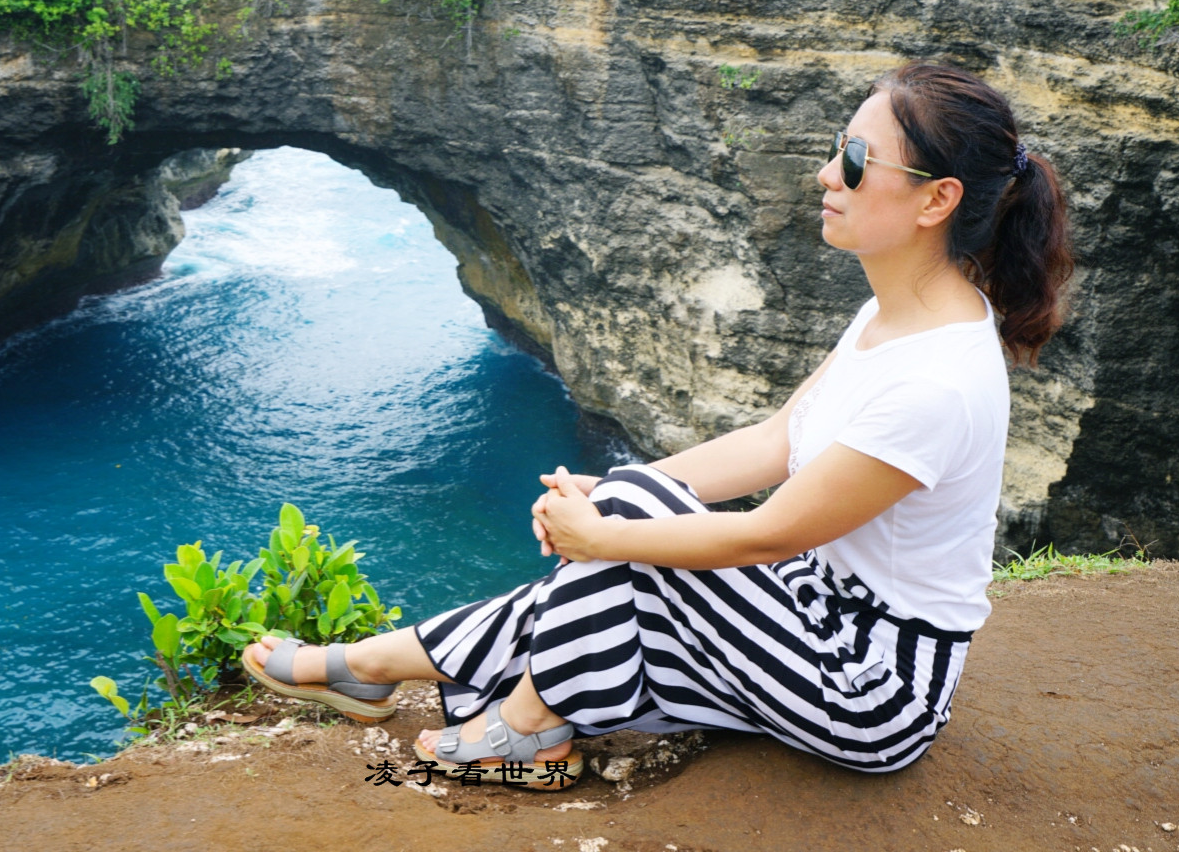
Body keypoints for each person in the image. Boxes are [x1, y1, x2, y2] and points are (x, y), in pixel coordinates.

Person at [242, 63, 1073, 789]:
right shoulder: (890, 316)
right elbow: (779, 439)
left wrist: (608, 528)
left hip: (870, 687)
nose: (827, 172)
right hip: (808, 614)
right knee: (624, 547)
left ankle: (527, 726)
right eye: (837, 147)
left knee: (627, 541)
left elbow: (767, 535)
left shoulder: (938, 380)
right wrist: (612, 496)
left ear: (937, 199)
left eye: (855, 160)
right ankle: (372, 667)